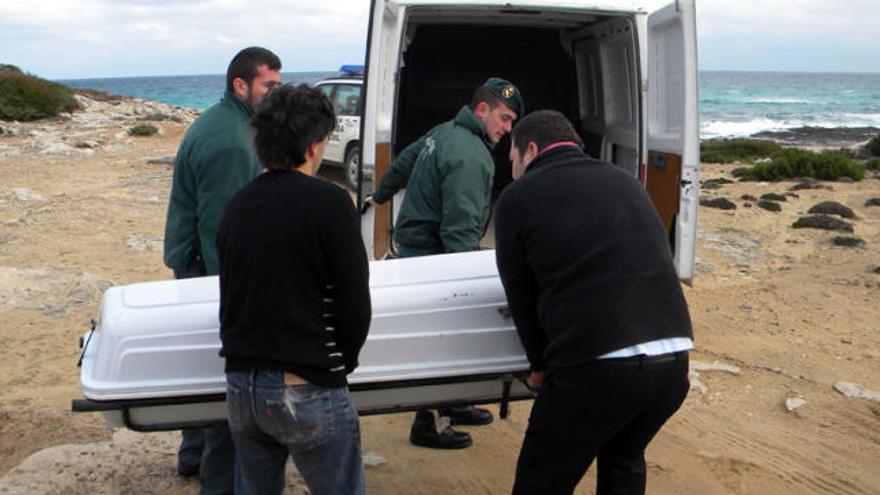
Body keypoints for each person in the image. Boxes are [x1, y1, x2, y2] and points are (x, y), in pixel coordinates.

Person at [494, 110, 693, 495]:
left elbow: (520, 292)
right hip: (672, 362)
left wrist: (538, 364)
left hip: (599, 369)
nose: (513, 168)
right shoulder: (626, 181)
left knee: (542, 478)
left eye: (513, 159)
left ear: (530, 150)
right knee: (623, 459)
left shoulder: (518, 197)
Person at [217, 83, 371, 495]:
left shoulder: (235, 206)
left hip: (241, 387)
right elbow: (354, 303)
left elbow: (231, 295)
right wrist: (341, 363)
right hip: (305, 383)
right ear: (315, 146)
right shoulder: (332, 203)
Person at [371, 77, 524, 449]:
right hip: (435, 259)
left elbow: (401, 165)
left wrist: (379, 195)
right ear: (482, 109)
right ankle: (429, 425)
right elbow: (460, 230)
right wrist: (465, 286)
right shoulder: (471, 154)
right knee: (444, 342)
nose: (508, 129)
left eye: (512, 122)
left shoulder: (442, 132)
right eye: (504, 119)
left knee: (445, 340)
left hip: (414, 252)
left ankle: (455, 403)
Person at [162, 46, 281, 494]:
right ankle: (217, 480)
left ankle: (192, 456)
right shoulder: (231, 141)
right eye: (269, 85)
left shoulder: (233, 123)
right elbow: (221, 231)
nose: (275, 92)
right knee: (222, 382)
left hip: (195, 264)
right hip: (206, 271)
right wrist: (237, 293)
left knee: (201, 366)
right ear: (241, 85)